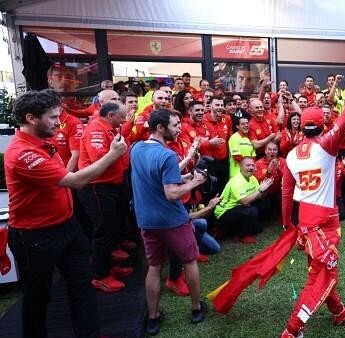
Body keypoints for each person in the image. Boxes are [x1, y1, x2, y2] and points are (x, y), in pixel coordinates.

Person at [209, 61, 345, 338]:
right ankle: (292, 330)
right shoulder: (328, 145)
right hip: (324, 222)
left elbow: (287, 195)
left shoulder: (292, 158)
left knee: (318, 269)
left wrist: (288, 224)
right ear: (322, 125)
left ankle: (337, 310)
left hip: (305, 221)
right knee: (323, 275)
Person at [2, 89, 127, 338]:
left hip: (67, 227)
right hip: (35, 236)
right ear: (30, 118)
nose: (58, 123)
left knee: (81, 286)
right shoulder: (22, 154)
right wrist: (113, 155)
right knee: (38, 297)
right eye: (52, 117)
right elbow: (76, 181)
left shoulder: (42, 141)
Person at [130, 109, 208, 335]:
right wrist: (195, 182)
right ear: (160, 128)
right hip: (172, 220)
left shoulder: (136, 149)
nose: (179, 128)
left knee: (154, 267)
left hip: (147, 220)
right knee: (190, 261)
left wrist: (182, 177)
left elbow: (156, 177)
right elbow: (172, 193)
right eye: (174, 125)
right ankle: (196, 308)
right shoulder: (167, 155)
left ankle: (153, 317)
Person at [78, 102, 133, 292]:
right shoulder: (96, 130)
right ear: (110, 115)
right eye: (122, 116)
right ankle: (99, 276)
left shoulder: (109, 127)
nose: (125, 120)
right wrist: (118, 152)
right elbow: (99, 159)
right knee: (103, 230)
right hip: (97, 187)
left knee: (111, 227)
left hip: (110, 185)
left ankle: (108, 267)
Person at [213, 157, 273, 243]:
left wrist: (265, 188)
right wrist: (260, 190)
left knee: (265, 202)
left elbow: (259, 197)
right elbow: (244, 201)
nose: (251, 167)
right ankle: (241, 235)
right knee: (251, 210)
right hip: (225, 211)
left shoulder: (253, 178)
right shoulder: (236, 181)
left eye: (252, 165)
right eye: (248, 165)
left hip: (239, 207)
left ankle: (251, 227)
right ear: (241, 167)